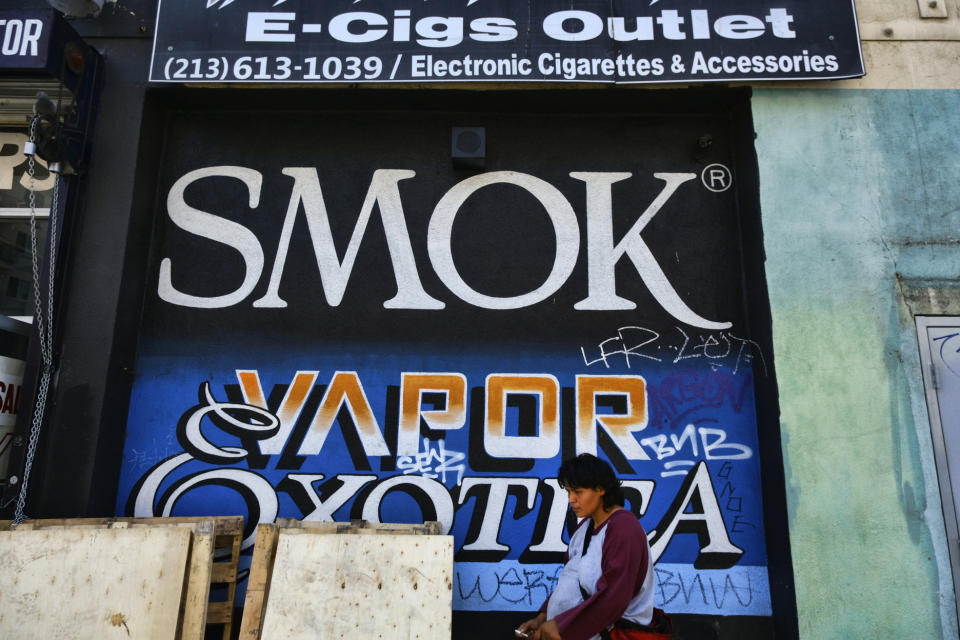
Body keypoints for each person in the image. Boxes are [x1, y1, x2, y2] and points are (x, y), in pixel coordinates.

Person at [515, 454, 658, 640]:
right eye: (568, 492)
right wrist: (543, 618)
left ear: (600, 489)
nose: (571, 499)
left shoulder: (624, 529)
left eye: (578, 492)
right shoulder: (585, 527)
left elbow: (614, 598)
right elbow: (571, 579)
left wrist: (561, 626)